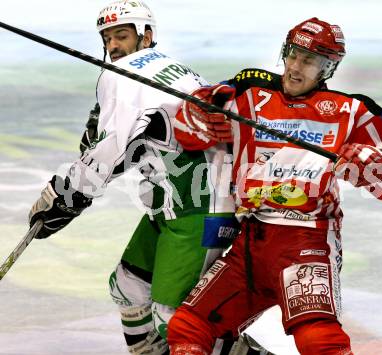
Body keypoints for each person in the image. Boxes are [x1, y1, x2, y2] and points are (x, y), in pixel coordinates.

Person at [167, 17, 382, 354]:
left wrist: (366, 160)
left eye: (308, 61)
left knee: (318, 339)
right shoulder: (247, 95)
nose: (295, 66)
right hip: (249, 239)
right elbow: (186, 132)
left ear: (328, 68)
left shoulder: (353, 111)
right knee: (188, 326)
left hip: (305, 239)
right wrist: (200, 114)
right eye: (292, 54)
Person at [28, 1, 238, 354]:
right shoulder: (171, 67)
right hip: (182, 204)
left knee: (176, 320)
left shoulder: (122, 75)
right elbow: (147, 140)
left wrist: (64, 196)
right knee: (128, 287)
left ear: (147, 35)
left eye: (121, 36)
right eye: (107, 38)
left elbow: (107, 154)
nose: (113, 47)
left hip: (196, 211)